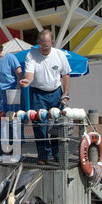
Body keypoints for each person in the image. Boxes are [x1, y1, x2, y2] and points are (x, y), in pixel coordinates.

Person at [20, 29, 72, 165]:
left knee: (56, 125)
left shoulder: (60, 54)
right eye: (41, 45)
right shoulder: (31, 55)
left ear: (52, 43)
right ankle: (43, 155)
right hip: (37, 93)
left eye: (46, 45)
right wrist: (27, 81)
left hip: (56, 92)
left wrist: (65, 94)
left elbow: (66, 75)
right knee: (39, 125)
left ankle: (57, 154)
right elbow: (30, 74)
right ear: (38, 43)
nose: (43, 48)